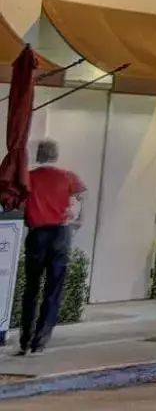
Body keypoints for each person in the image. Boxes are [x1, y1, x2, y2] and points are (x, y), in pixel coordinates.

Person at [17, 139, 84, 355]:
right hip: (60, 234)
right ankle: (41, 339)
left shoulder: (28, 177)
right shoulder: (67, 176)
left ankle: (25, 339)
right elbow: (84, 196)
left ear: (38, 155)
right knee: (53, 289)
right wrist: (77, 219)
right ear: (55, 155)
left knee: (31, 288)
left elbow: (20, 202)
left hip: (37, 235)